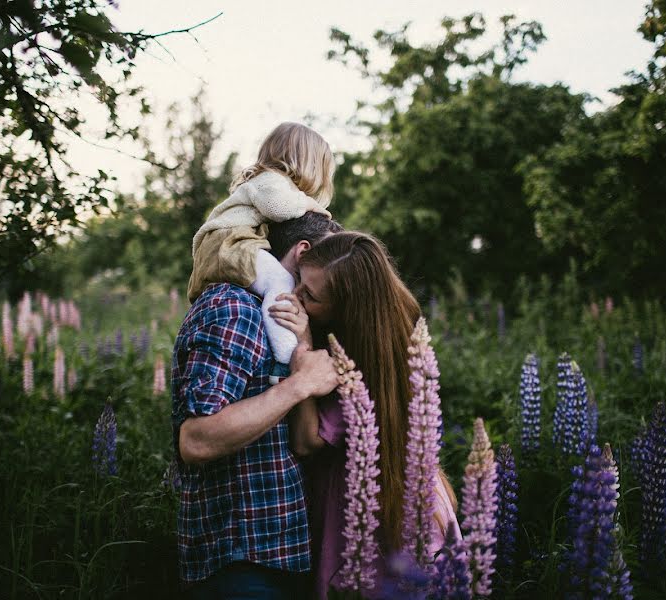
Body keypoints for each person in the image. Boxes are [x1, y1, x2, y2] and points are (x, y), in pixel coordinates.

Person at [268, 231, 461, 599]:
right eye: (299, 284)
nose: (297, 298)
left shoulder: (365, 360)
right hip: (392, 487)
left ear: (347, 309)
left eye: (311, 296)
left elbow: (307, 441)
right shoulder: (383, 328)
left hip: (376, 507)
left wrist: (303, 350)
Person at [171, 213, 342, 599]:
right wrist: (299, 385)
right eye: (333, 254)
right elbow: (196, 440)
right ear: (303, 253)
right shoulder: (236, 308)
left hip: (277, 552)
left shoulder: (278, 317)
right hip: (240, 558)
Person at [188, 122, 335, 375]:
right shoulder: (271, 180)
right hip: (229, 243)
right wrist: (312, 205)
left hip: (227, 244)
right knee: (280, 282)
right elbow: (279, 208)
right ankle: (285, 359)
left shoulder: (265, 182)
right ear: (305, 162)